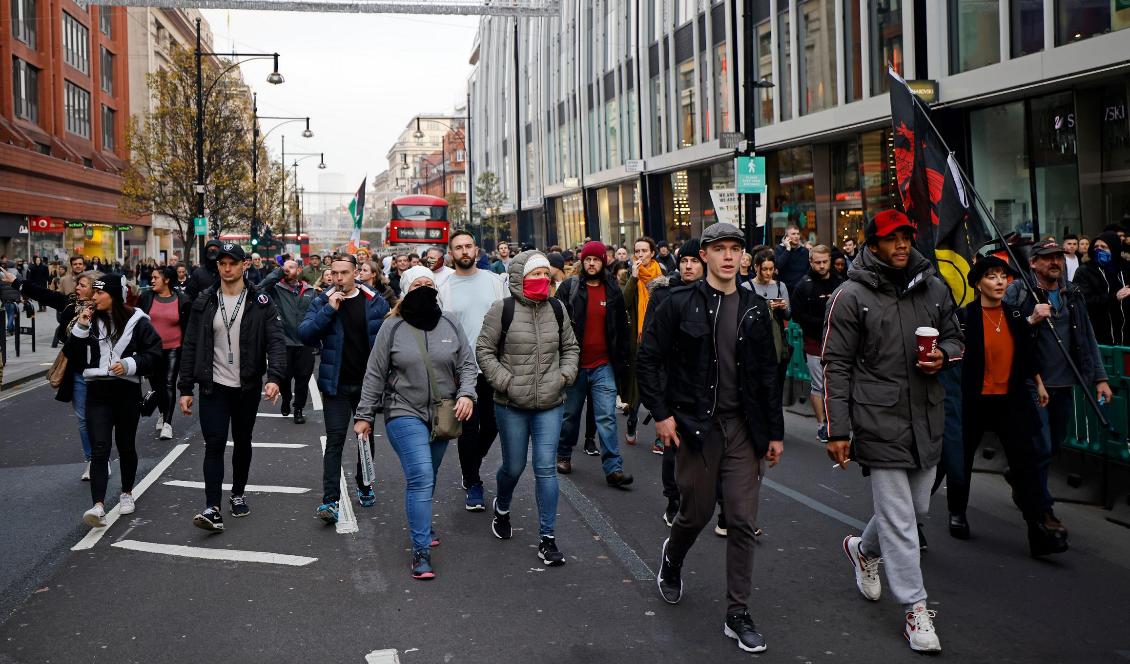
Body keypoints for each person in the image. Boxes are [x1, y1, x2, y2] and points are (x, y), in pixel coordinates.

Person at [637, 222, 783, 654]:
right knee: (696, 512)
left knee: (740, 519)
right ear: (704, 256)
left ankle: (737, 613)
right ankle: (673, 556)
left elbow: (768, 375)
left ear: (743, 257)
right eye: (718, 249)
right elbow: (648, 359)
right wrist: (661, 415)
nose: (727, 256)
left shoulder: (756, 309)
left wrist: (774, 432)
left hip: (743, 428)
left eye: (734, 249)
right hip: (696, 428)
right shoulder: (678, 302)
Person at [822, 210, 962, 654]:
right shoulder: (850, 295)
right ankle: (916, 610)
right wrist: (836, 429)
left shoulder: (933, 286)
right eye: (891, 239)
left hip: (926, 413)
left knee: (916, 508)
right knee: (901, 520)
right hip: (876, 417)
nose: (901, 245)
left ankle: (862, 549)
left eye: (906, 236)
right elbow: (836, 365)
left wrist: (943, 356)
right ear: (874, 244)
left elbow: (957, 338)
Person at [937, 256, 1068, 556]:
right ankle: (956, 512)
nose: (999, 282)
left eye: (1002, 276)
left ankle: (1039, 530)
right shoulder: (965, 318)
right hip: (973, 401)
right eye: (992, 276)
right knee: (959, 459)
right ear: (978, 283)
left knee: (1026, 461)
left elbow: (1025, 353)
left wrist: (1038, 383)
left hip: (1009, 400)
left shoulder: (1013, 315)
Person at [354, 267, 477, 579]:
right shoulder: (392, 327)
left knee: (429, 474)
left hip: (443, 414)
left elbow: (467, 363)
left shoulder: (450, 322)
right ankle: (420, 549)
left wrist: (466, 394)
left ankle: (423, 522)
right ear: (406, 290)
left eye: (429, 284)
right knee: (421, 475)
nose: (424, 288)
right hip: (402, 410)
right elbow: (375, 373)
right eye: (417, 284)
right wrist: (364, 415)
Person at [475, 250, 580, 566]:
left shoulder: (558, 308)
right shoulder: (502, 310)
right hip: (511, 404)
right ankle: (502, 506)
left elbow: (571, 348)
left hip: (550, 402)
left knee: (545, 468)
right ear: (520, 277)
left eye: (545, 274)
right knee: (514, 466)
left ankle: (547, 538)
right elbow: (484, 350)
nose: (542, 279)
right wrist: (506, 382)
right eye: (535, 274)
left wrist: (564, 376)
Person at [178, 243, 287, 532]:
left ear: (244, 266)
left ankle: (237, 493)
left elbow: (276, 340)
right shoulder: (204, 301)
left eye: (232, 263)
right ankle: (212, 507)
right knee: (213, 444)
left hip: (246, 385)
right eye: (222, 263)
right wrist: (185, 388)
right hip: (214, 386)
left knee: (242, 441)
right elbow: (190, 345)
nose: (227, 268)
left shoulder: (260, 301)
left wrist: (274, 378)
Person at [1005, 239, 1110, 535]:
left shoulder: (1072, 294)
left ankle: (1019, 474)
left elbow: (1087, 336)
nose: (1055, 262)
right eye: (1048, 258)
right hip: (1032, 383)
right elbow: (1005, 331)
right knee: (1040, 446)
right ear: (1033, 263)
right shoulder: (1020, 291)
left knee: (1052, 446)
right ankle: (1043, 510)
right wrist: (1031, 319)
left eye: (1059, 258)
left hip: (1064, 384)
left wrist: (1100, 378)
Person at [299, 254, 391, 520]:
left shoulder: (374, 302)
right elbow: (305, 334)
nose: (339, 278)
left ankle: (364, 484)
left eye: (344, 273)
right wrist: (329, 309)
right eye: (335, 273)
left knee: (365, 439)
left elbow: (387, 339)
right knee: (335, 441)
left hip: (367, 386)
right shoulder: (322, 300)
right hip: (335, 385)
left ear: (356, 273)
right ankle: (330, 501)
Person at [67, 274, 162, 527]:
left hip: (126, 391)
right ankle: (98, 505)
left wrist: (130, 364)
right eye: (94, 293)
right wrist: (81, 327)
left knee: (126, 445)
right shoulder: (86, 319)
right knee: (100, 447)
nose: (94, 297)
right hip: (97, 391)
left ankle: (127, 493)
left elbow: (154, 353)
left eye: (100, 293)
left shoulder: (137, 321)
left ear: (114, 295)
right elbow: (73, 357)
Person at [2, 267, 101, 477]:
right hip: (76, 369)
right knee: (83, 417)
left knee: (102, 417)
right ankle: (93, 460)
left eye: (83, 285)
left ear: (94, 289)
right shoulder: (70, 304)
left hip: (101, 369)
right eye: (78, 284)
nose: (78, 288)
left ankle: (101, 456)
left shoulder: (103, 308)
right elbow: (44, 295)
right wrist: (16, 282)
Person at [553, 241, 633, 487]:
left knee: (606, 417)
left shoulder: (612, 290)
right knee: (571, 415)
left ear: (603, 262)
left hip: (603, 365)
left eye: (596, 259)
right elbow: (555, 322)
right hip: (574, 364)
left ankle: (613, 469)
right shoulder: (569, 287)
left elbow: (621, 327)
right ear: (582, 261)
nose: (591, 263)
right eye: (587, 259)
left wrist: (624, 362)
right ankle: (564, 454)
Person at [437, 231, 508, 511]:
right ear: (451, 254)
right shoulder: (443, 287)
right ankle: (474, 482)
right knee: (468, 429)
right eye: (458, 248)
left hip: (494, 367)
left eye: (468, 246)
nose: (464, 251)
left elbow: (508, 320)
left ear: (476, 250)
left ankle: (471, 465)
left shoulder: (494, 282)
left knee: (493, 426)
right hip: (462, 371)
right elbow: (440, 330)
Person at [642, 237, 704, 524]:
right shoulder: (664, 294)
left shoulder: (716, 295)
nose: (688, 266)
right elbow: (650, 348)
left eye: (694, 261)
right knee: (674, 446)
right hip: (672, 383)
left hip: (707, 385)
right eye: (684, 261)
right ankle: (674, 500)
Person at [789, 245, 843, 444]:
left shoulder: (840, 281)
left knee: (838, 383)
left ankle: (836, 422)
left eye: (825, 262)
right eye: (817, 262)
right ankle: (821, 425)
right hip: (814, 341)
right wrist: (821, 323)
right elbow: (797, 314)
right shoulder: (804, 285)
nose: (821, 266)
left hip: (839, 341)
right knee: (818, 385)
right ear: (811, 262)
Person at [261, 260, 317, 425]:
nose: (287, 270)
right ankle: (286, 398)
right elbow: (260, 287)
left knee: (302, 379)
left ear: (299, 270)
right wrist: (278, 273)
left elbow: (316, 313)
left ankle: (298, 409)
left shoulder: (310, 291)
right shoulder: (275, 289)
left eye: (291, 267)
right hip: (283, 342)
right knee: (284, 378)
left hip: (305, 343)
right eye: (284, 268)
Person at [136, 266, 190, 440]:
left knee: (168, 383)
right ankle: (161, 411)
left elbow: (188, 326)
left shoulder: (182, 300)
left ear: (166, 280)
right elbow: (137, 322)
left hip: (174, 347)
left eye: (155, 277)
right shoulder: (146, 298)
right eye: (151, 277)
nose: (152, 280)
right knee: (156, 386)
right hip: (151, 351)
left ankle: (167, 422)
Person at [622, 236, 664, 445]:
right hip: (637, 340)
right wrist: (633, 277)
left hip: (657, 338)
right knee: (638, 389)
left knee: (661, 386)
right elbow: (623, 302)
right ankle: (631, 420)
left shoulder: (663, 277)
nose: (640, 255)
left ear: (652, 253)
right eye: (637, 251)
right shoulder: (627, 276)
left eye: (644, 251)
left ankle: (660, 435)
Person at [744, 250, 791, 396]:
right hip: (755, 342)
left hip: (776, 341)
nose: (768, 273)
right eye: (764, 269)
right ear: (756, 267)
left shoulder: (779, 286)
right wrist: (764, 307)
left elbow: (788, 315)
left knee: (775, 387)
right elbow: (743, 317)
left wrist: (783, 307)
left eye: (771, 269)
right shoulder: (746, 287)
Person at [1072, 231, 1130, 346]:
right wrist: (1114, 297)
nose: (1099, 250)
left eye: (1103, 247)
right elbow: (1083, 300)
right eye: (1096, 247)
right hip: (1100, 338)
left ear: (1114, 248)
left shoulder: (1125, 268)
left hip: (1125, 337)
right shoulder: (1085, 271)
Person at [773, 225, 810, 291]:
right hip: (784, 289)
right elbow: (778, 265)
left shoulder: (804, 251)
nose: (796, 236)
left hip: (801, 288)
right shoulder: (779, 249)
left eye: (798, 234)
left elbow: (808, 270)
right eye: (793, 234)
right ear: (786, 237)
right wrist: (788, 249)